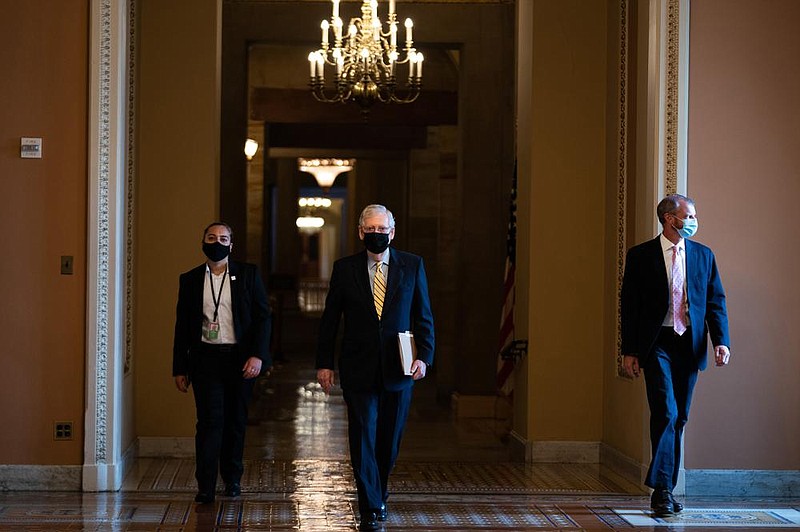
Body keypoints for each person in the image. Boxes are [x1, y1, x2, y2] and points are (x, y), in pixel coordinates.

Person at [316, 204, 435, 531]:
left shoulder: (412, 265)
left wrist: (424, 356)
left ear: (392, 233)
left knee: (388, 439)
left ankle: (377, 492)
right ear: (360, 232)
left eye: (382, 230)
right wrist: (324, 363)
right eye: (371, 230)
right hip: (358, 367)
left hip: (400, 367)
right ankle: (371, 504)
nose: (377, 235)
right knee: (363, 433)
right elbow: (330, 320)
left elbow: (423, 315)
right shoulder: (345, 269)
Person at [621, 194, 731, 517]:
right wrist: (629, 349)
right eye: (690, 215)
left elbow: (715, 301)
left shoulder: (703, 256)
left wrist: (721, 341)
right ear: (671, 219)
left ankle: (665, 487)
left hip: (690, 344)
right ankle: (663, 491)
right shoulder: (640, 256)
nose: (695, 221)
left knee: (679, 417)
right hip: (657, 345)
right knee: (666, 412)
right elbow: (630, 306)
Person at [173, 222, 271, 504]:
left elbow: (263, 317)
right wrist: (179, 367)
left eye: (223, 238)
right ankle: (205, 485)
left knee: (235, 421)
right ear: (203, 241)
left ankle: (233, 479)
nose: (217, 242)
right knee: (209, 422)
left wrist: (258, 355)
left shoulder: (248, 275)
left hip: (240, 360)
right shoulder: (189, 279)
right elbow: (182, 326)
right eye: (211, 237)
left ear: (232, 245)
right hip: (205, 360)